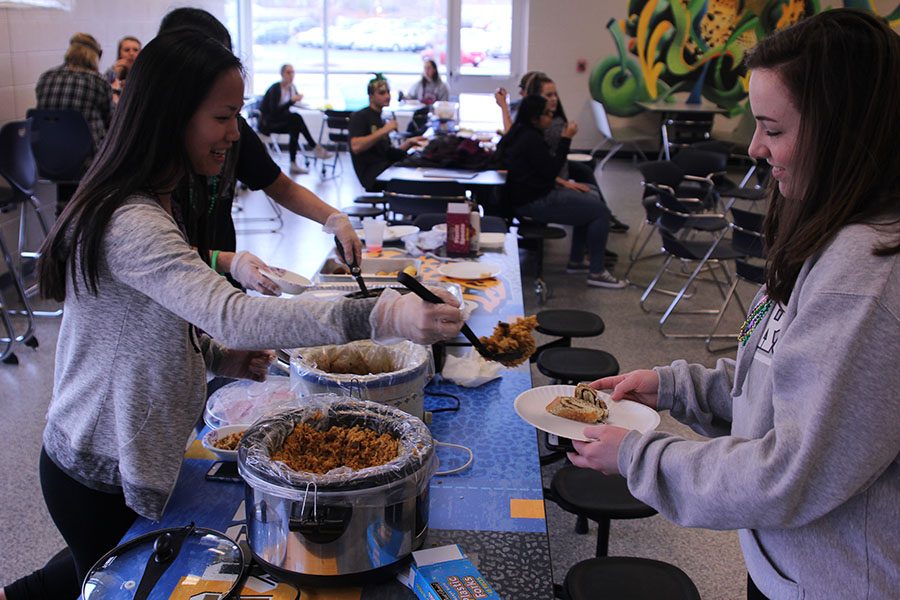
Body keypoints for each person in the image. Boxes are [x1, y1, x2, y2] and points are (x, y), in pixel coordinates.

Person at [0, 29, 464, 600]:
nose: (234, 134)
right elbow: (230, 313)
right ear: (173, 115)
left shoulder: (161, 199)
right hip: (96, 469)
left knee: (78, 570)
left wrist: (219, 357)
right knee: (109, 578)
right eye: (224, 116)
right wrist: (380, 314)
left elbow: (157, 325)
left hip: (118, 459)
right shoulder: (133, 219)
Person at [568, 10, 899, 600]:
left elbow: (791, 472)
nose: (754, 147)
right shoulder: (831, 236)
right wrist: (674, 387)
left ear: (845, 132)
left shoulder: (864, 278)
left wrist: (640, 458)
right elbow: (783, 380)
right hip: (788, 563)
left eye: (773, 129)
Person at [157, 8, 362, 294]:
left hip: (215, 290)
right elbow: (162, 257)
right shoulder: (147, 167)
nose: (235, 133)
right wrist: (226, 261)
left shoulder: (229, 131)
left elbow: (280, 186)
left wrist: (334, 218)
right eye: (221, 117)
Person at [498, 95, 626, 288]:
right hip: (535, 201)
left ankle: (576, 261)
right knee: (599, 211)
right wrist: (566, 139)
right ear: (535, 118)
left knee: (590, 194)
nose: (551, 118)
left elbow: (542, 171)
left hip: (525, 197)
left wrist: (565, 184)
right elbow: (551, 170)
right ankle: (597, 272)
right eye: (547, 114)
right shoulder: (531, 139)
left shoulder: (519, 132)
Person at [525, 71, 630, 240]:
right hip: (547, 185)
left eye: (555, 95)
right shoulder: (542, 124)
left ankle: (599, 226)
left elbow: (551, 159)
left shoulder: (551, 121)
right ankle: (600, 224)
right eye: (548, 95)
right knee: (592, 201)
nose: (554, 99)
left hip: (553, 176)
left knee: (586, 174)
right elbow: (543, 164)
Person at [35, 33, 112, 214]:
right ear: (96, 55)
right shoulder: (98, 81)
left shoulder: (45, 77)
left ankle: (64, 217)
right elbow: (113, 122)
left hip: (49, 159)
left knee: (68, 152)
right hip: (88, 161)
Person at [348, 76, 425, 192]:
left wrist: (409, 143)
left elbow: (388, 153)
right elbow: (356, 147)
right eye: (382, 93)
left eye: (388, 92)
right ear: (371, 96)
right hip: (373, 175)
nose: (387, 96)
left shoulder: (380, 119)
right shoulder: (360, 116)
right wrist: (384, 130)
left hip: (385, 168)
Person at [259, 63, 332, 175]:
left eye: (293, 72)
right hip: (269, 123)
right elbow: (274, 112)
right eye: (288, 72)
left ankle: (295, 162)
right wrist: (291, 101)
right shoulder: (275, 89)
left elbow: (293, 104)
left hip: (283, 121)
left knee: (295, 124)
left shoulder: (291, 88)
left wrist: (296, 100)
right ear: (282, 74)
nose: (291, 75)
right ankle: (314, 148)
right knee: (296, 119)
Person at [103, 35, 140, 100]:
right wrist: (115, 76)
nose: (131, 53)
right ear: (120, 53)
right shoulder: (111, 72)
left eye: (135, 50)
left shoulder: (145, 73)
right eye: (127, 50)